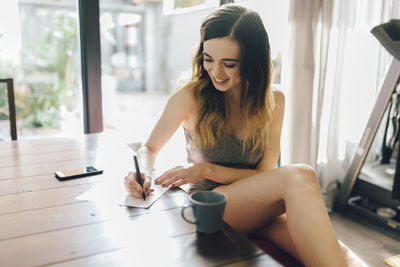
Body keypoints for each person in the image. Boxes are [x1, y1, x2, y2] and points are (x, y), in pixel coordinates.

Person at [124, 4, 355, 267]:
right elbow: (150, 148)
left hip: (253, 208)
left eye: (229, 64)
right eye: (208, 59)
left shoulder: (274, 100)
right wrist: (141, 172)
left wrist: (206, 169)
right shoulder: (191, 96)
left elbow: (265, 175)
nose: (216, 73)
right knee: (300, 176)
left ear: (252, 61)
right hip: (210, 208)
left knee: (343, 255)